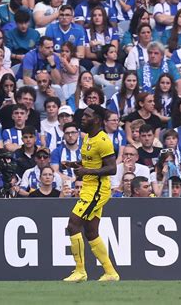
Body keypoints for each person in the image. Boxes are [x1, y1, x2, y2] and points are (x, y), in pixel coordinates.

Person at [62, 104, 119, 282]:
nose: (83, 118)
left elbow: (112, 168)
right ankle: (111, 273)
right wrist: (75, 165)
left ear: (96, 120)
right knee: (91, 231)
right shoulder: (87, 138)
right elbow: (91, 161)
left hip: (97, 190)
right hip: (88, 187)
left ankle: (80, 271)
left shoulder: (103, 141)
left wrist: (86, 172)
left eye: (87, 116)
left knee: (73, 225)